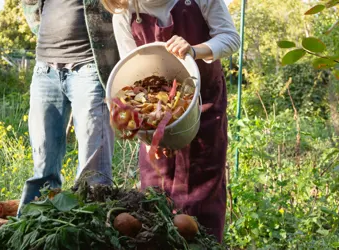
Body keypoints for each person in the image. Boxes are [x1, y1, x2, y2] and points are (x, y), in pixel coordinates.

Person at [102, 0, 240, 242]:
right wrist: (145, 128)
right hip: (154, 119)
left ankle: (205, 244)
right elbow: (131, 69)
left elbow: (230, 38)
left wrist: (195, 50)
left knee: (204, 187)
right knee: (157, 190)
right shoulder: (125, 11)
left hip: (203, 102)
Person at [16, 0, 120, 217]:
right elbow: (31, 8)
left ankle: (91, 227)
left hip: (89, 67)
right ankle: (36, 224)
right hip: (45, 69)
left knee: (94, 168)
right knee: (44, 160)